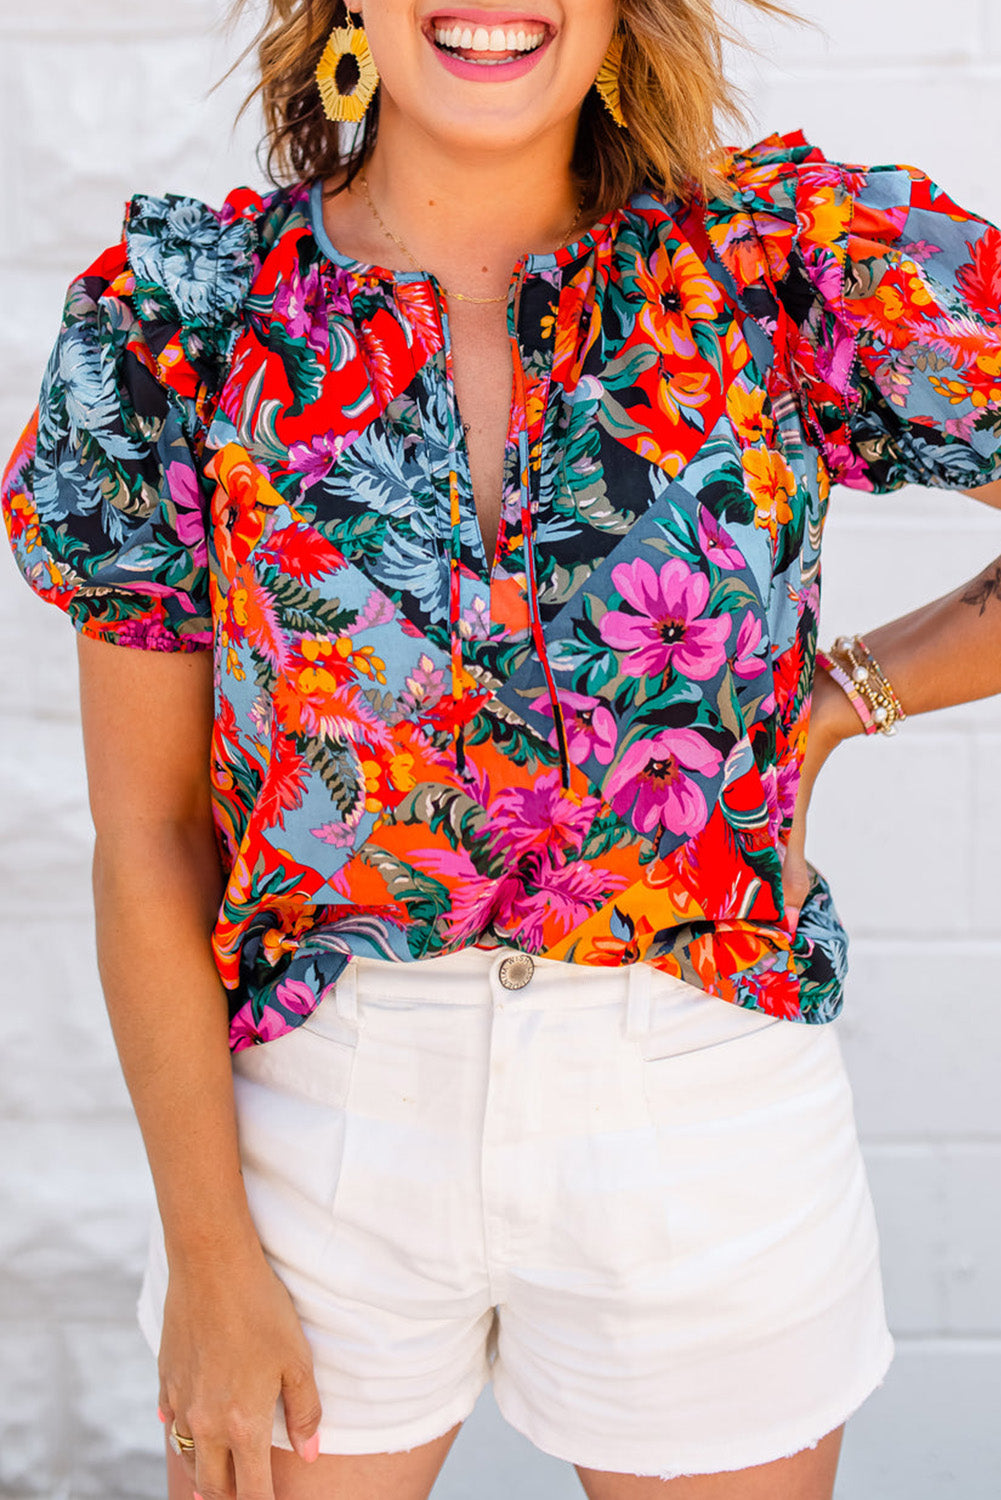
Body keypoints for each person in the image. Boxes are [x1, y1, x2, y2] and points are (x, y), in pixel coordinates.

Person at [3, 0, 1001, 1495]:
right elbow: (149, 837)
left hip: (697, 1099)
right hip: (319, 1114)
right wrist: (209, 1256)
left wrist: (845, 695)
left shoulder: (779, 269)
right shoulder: (181, 321)